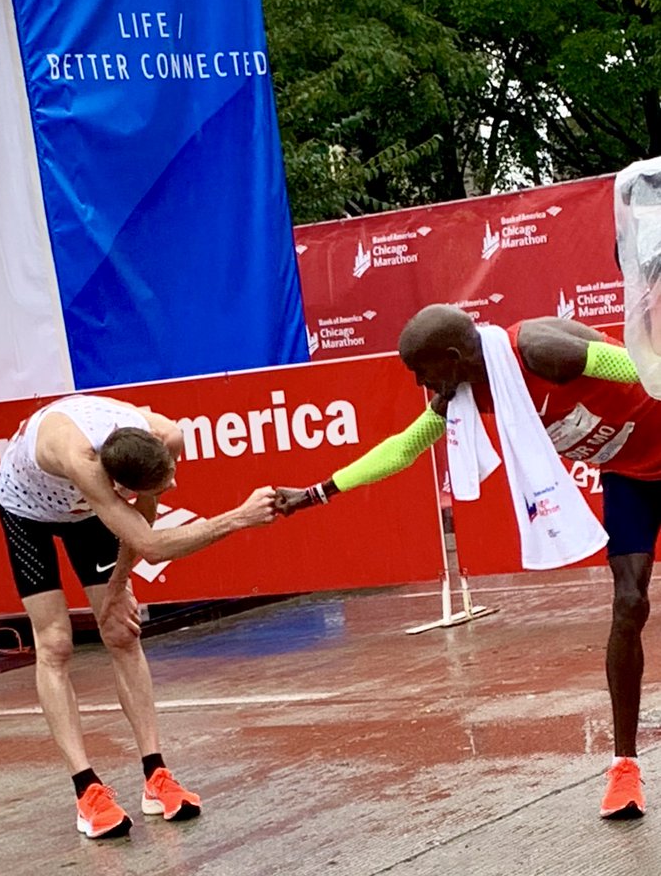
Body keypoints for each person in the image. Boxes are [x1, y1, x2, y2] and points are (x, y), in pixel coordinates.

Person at [274, 304, 660, 821]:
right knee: (628, 603)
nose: (420, 383)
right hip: (630, 476)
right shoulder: (465, 394)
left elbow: (642, 367)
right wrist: (316, 493)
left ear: (454, 358)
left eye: (422, 370)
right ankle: (624, 768)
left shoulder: (541, 350)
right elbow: (404, 448)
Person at [0, 393, 278, 839]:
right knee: (55, 643)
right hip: (26, 510)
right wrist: (237, 518)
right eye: (162, 486)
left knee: (123, 633)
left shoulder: (165, 436)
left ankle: (156, 775)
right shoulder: (82, 460)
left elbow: (141, 533)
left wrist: (117, 587)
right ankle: (86, 790)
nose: (173, 487)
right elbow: (152, 545)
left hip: (85, 508)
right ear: (117, 485)